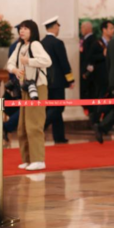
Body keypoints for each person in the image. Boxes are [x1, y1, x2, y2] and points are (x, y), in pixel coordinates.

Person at [6, 20, 52, 171]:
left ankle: (38, 159)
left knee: (34, 124)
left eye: (25, 28)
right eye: (21, 29)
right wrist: (15, 71)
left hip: (38, 87)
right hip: (25, 87)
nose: (22, 31)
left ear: (32, 31)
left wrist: (29, 61)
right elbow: (10, 63)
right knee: (23, 126)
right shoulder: (20, 45)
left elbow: (47, 61)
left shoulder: (35, 44)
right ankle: (27, 159)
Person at [42, 16, 75, 144]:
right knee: (58, 108)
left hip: (46, 81)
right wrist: (70, 80)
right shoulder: (57, 43)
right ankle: (42, 126)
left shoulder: (41, 42)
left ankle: (59, 136)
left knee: (52, 108)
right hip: (57, 82)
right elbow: (64, 63)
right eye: (58, 26)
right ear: (55, 27)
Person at [79, 21, 96, 101]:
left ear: (88, 28)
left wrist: (86, 72)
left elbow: (90, 57)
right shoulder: (84, 39)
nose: (81, 30)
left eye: (82, 27)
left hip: (88, 72)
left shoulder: (92, 40)